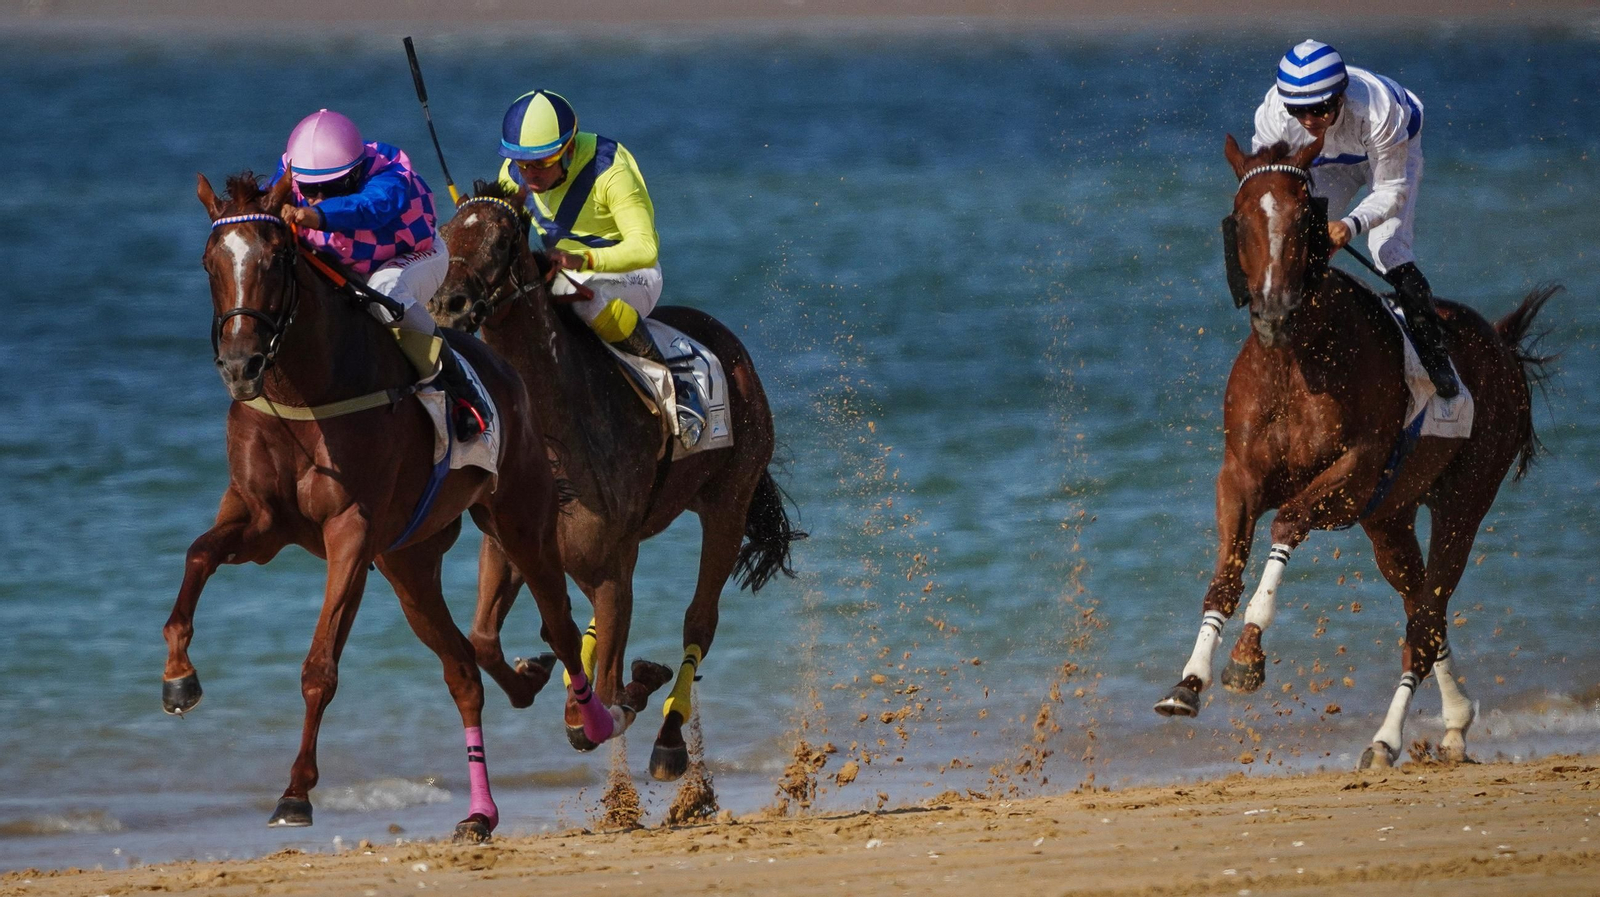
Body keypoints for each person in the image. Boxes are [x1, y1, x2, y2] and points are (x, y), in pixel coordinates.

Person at [1251, 40, 1459, 398]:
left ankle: (1435, 357)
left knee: (1387, 249)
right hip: (1333, 163)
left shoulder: (1377, 110)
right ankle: (1294, 341)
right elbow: (1268, 185)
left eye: (1318, 108)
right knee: (1300, 244)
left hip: (1392, 155)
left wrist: (1351, 225)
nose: (1307, 120)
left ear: (1340, 97)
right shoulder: (1272, 115)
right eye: (1297, 110)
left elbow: (1392, 191)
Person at [271, 109, 493, 437]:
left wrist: (316, 215)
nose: (314, 196)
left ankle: (462, 389)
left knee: (385, 291)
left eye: (327, 188)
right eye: (308, 188)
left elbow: (369, 208)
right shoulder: (292, 171)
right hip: (347, 266)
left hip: (416, 256)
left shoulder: (389, 174)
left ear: (354, 174)